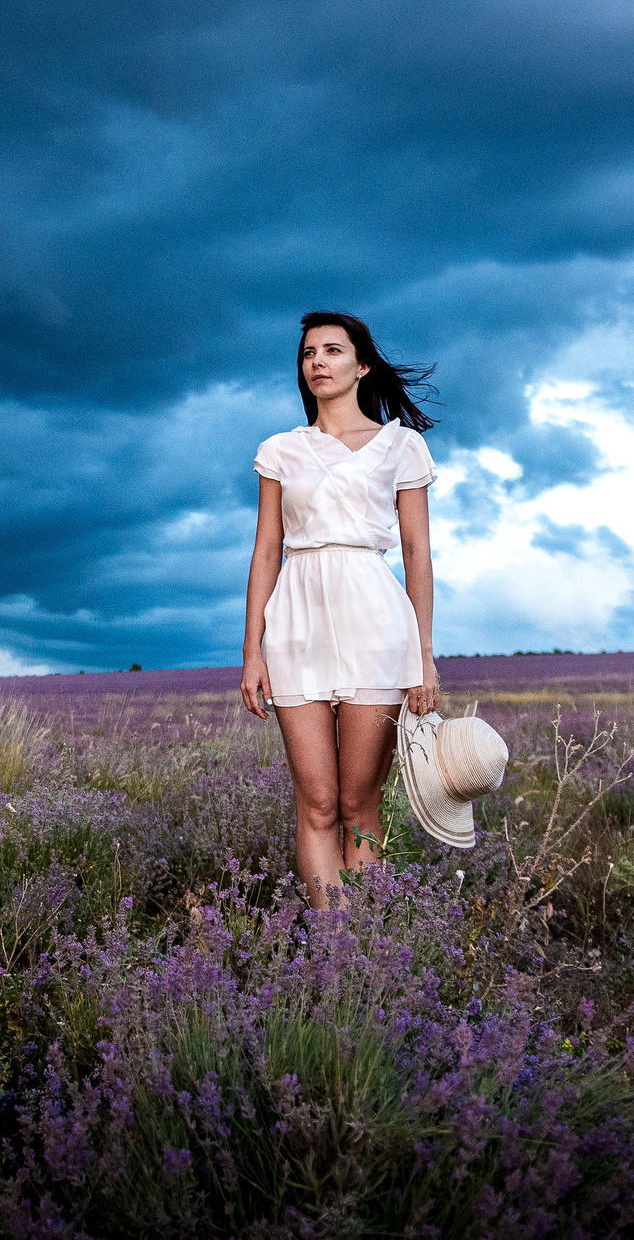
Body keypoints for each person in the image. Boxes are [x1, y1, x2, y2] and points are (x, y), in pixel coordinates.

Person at [239, 310, 439, 905]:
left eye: (331, 351)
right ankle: (333, 950)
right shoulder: (281, 451)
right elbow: (266, 551)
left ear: (362, 365)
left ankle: (363, 952)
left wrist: (423, 653)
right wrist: (253, 651)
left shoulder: (402, 446)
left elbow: (416, 554)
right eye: (308, 355)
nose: (318, 363)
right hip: (296, 624)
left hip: (375, 623)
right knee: (318, 801)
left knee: (359, 801)